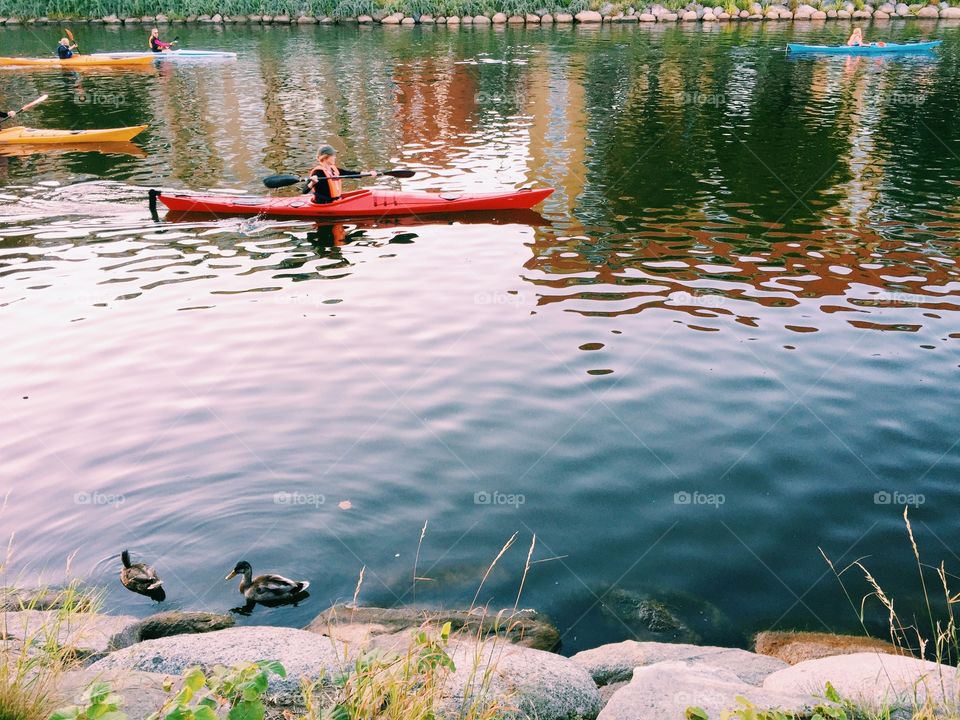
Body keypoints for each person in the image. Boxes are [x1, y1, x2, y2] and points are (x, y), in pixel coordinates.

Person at [305, 144, 376, 204]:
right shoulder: (318, 172)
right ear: (326, 157)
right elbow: (304, 191)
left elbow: (351, 174)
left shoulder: (334, 169)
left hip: (336, 201)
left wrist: (369, 174)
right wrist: (312, 182)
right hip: (325, 204)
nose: (335, 157)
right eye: (333, 156)